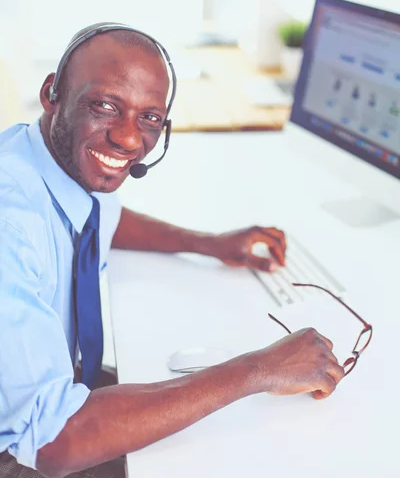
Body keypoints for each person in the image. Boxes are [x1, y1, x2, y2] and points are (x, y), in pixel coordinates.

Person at [0, 25, 344, 478]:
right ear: (52, 92)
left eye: (149, 118)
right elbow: (55, 441)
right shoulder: (10, 226)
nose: (126, 139)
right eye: (105, 105)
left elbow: (101, 217)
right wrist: (258, 369)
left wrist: (206, 243)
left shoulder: (51, 157)